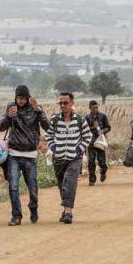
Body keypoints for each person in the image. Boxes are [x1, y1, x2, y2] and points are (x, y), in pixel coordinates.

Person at [0, 84, 51, 226]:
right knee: (13, 186)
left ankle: (33, 208)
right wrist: (9, 117)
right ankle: (16, 216)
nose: (20, 101)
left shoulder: (35, 107)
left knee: (32, 188)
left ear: (28, 98)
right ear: (15, 98)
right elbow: (1, 126)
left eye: (23, 98)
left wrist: (38, 111)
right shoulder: (11, 107)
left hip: (30, 154)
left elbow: (48, 126)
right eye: (18, 98)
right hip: (14, 154)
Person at [45, 92, 92, 224]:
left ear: (72, 103)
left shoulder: (79, 119)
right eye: (60, 103)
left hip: (74, 158)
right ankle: (66, 209)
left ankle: (68, 212)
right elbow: (48, 135)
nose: (63, 105)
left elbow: (87, 136)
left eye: (65, 103)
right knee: (61, 185)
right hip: (58, 158)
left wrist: (79, 149)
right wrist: (54, 147)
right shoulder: (54, 119)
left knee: (70, 183)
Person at [85, 100, 111, 186]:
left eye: (97, 107)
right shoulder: (86, 118)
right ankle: (92, 179)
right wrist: (92, 127)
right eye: (94, 108)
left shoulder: (102, 116)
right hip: (91, 142)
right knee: (91, 161)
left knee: (102, 162)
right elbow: (84, 130)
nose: (96, 109)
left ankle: (103, 171)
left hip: (100, 141)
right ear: (90, 108)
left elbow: (108, 127)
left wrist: (102, 131)